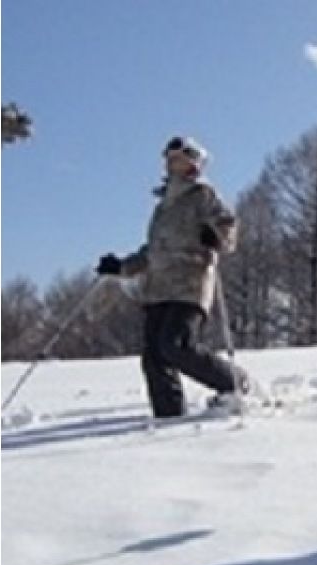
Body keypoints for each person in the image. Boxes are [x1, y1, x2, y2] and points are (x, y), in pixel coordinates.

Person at [96, 136, 249, 418]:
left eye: (180, 159)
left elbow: (228, 227)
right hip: (157, 289)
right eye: (170, 159)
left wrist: (215, 236)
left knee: (175, 345)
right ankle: (169, 415)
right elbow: (152, 252)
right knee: (154, 358)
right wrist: (120, 267)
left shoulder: (203, 195)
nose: (173, 165)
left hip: (189, 284)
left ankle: (232, 381)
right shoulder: (162, 207)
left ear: (195, 164)